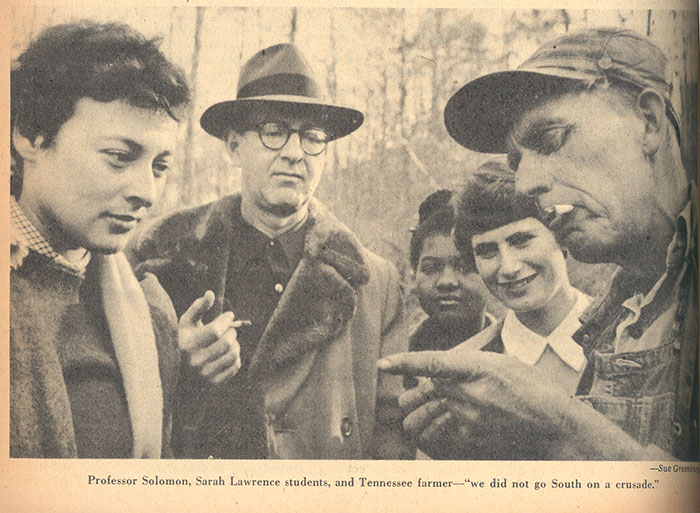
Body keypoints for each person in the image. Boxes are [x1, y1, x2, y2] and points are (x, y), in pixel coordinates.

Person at [379, 28, 698, 460]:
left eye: (550, 140)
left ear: (650, 121)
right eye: (517, 162)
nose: (526, 183)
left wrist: (558, 429)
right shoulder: (618, 321)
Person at [128, 43, 413, 459]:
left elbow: (392, 436)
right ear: (235, 146)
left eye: (312, 137)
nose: (295, 153)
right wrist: (173, 363)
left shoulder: (376, 281)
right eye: (274, 131)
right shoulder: (158, 256)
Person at [10, 21, 191, 458]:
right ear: (30, 137)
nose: (146, 192)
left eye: (159, 166)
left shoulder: (149, 312)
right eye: (119, 157)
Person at [454, 169, 590, 398]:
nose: (508, 268)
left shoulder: (630, 337)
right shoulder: (464, 367)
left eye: (522, 241)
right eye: (487, 252)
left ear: (562, 236)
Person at [409, 189, 490, 358]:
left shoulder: (517, 353)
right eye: (431, 268)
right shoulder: (392, 358)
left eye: (465, 267)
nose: (447, 281)